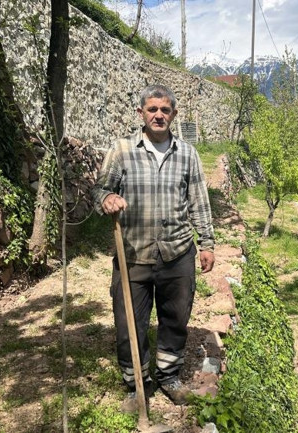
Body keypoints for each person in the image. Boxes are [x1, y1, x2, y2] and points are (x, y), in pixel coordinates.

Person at [91, 84, 215, 407]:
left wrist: (207, 243)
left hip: (177, 254)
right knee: (128, 323)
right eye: (152, 109)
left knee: (175, 319)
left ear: (173, 114)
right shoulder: (121, 151)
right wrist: (107, 199)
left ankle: (168, 376)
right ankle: (138, 386)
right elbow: (98, 191)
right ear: (141, 114)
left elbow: (199, 202)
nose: (158, 115)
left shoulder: (187, 154)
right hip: (133, 254)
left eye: (164, 110)